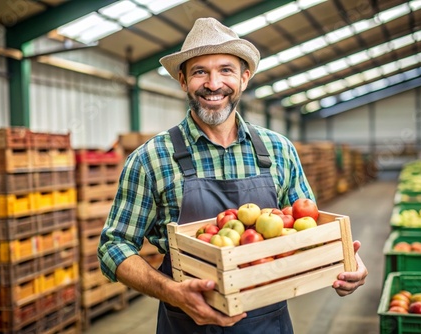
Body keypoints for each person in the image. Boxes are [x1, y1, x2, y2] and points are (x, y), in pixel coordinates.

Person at [98, 17, 367, 334]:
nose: (213, 84)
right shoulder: (150, 158)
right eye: (200, 72)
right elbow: (113, 247)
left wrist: (343, 262)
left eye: (226, 70)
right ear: (183, 81)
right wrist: (170, 291)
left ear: (244, 78)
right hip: (185, 321)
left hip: (268, 322)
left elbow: (307, 231)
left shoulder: (278, 150)